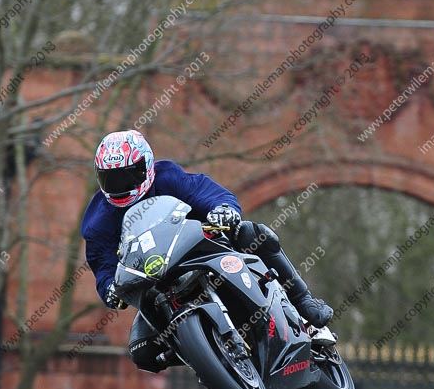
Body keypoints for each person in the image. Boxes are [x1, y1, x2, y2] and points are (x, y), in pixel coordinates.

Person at [81, 130, 333, 372]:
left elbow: (205, 191)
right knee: (142, 352)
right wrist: (110, 289)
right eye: (110, 178)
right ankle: (204, 355)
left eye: (127, 176)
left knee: (252, 233)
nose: (119, 185)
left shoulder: (167, 176)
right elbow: (102, 266)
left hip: (204, 247)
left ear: (147, 166)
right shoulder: (97, 221)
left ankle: (304, 304)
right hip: (156, 280)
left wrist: (223, 209)